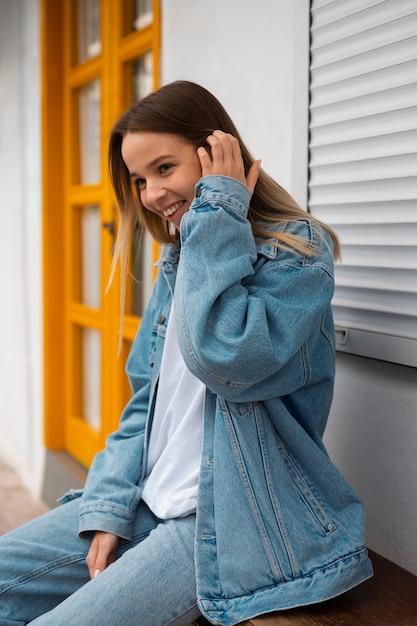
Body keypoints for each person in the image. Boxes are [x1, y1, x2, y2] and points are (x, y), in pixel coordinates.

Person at [0, 81, 373, 626]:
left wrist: (219, 211)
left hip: (229, 519)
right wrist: (110, 504)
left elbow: (228, 359)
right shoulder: (178, 262)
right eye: (139, 179)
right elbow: (144, 403)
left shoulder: (298, 251)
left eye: (164, 168)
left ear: (216, 153)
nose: (150, 194)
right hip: (147, 499)